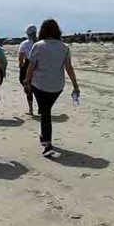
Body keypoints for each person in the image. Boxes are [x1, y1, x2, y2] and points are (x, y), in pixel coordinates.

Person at [22, 18, 80, 158]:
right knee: (45, 110)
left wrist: (26, 82)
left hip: (39, 85)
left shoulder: (38, 45)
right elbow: (69, 68)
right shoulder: (64, 47)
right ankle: (44, 137)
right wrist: (75, 86)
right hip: (57, 86)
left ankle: (47, 143)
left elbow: (31, 66)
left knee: (45, 112)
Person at [17, 24, 37, 115]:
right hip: (39, 65)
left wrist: (21, 64)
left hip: (28, 64)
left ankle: (31, 109)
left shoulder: (24, 44)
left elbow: (21, 57)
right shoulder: (40, 42)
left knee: (25, 82)